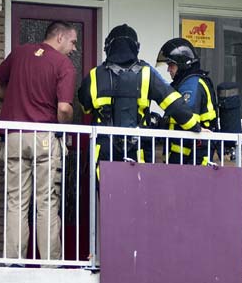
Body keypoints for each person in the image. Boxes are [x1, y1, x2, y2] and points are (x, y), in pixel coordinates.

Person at [0, 20, 78, 262]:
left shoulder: (20, 53)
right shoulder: (63, 65)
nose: (74, 48)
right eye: (73, 41)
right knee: (46, 202)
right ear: (59, 38)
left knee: (16, 202)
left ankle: (13, 262)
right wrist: (64, 126)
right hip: (44, 138)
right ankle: (49, 263)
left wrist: (12, 100)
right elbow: (64, 108)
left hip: (14, 135)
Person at [78, 24, 202, 177]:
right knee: (136, 198)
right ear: (136, 48)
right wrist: (196, 127)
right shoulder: (147, 73)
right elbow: (173, 102)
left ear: (108, 47)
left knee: (106, 197)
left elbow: (85, 107)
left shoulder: (94, 75)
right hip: (138, 150)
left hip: (103, 150)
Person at [157, 38, 218, 166]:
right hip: (182, 160)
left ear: (182, 64)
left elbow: (187, 119)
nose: (169, 70)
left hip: (191, 161)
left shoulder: (191, 85)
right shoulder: (184, 83)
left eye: (171, 65)